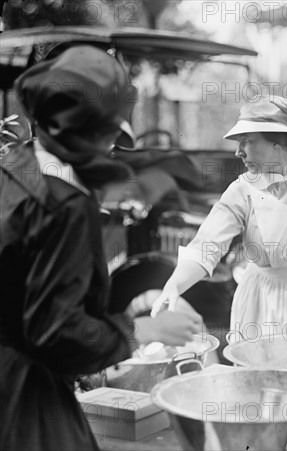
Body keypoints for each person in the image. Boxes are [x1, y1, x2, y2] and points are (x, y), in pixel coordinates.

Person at [0, 46, 203, 451]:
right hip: (21, 396)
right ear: (86, 131)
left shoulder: (14, 165)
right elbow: (58, 332)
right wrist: (144, 329)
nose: (114, 144)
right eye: (111, 132)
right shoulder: (65, 208)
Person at [151, 96, 287, 342]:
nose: (238, 151)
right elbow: (208, 245)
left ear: (280, 142)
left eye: (247, 141)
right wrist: (175, 285)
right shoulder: (242, 190)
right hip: (262, 304)